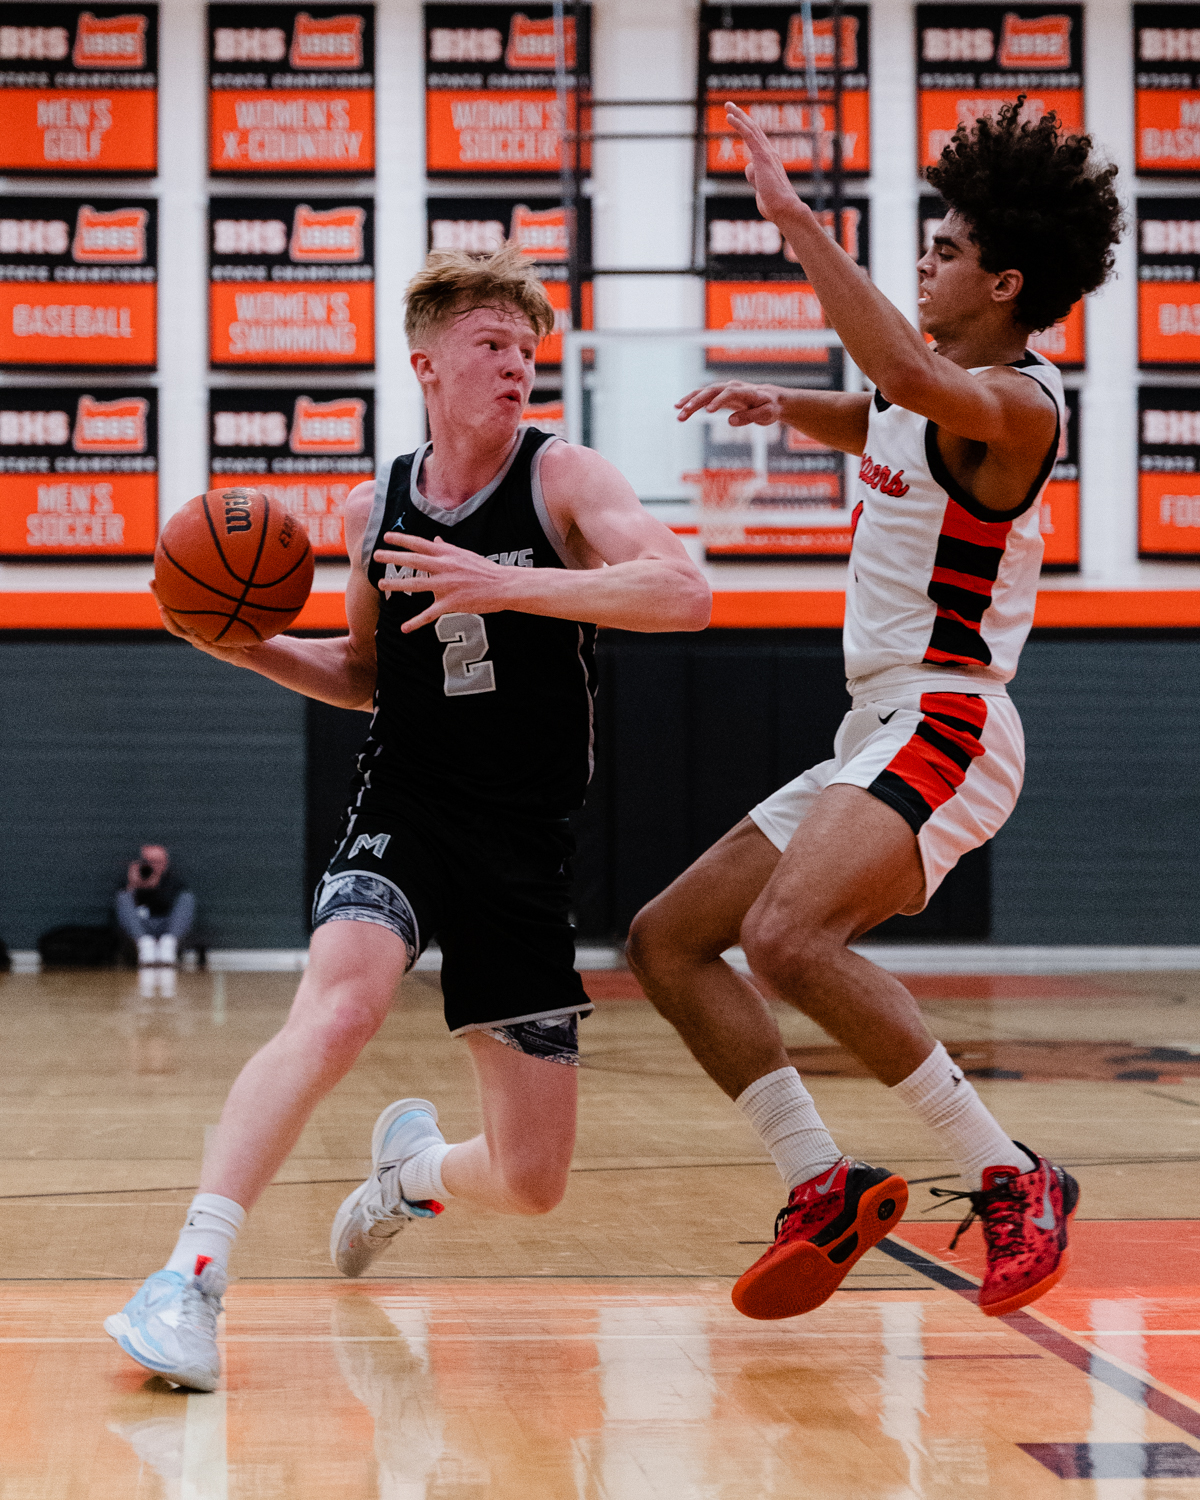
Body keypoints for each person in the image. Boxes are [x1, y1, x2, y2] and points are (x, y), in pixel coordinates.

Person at [105, 244, 711, 1391]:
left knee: (534, 1180)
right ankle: (188, 1277)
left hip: (526, 843)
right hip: (409, 803)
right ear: (427, 361)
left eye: (528, 349)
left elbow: (685, 593)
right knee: (338, 1009)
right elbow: (367, 675)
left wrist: (514, 583)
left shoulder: (565, 480)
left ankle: (409, 1176)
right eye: (492, 345)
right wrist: (246, 644)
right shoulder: (368, 508)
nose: (517, 366)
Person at [628, 100, 1124, 1322]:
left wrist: (795, 222)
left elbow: (901, 375)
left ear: (1007, 284)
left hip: (951, 718)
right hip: (881, 726)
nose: (923, 258)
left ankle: (1011, 1175)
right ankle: (824, 1181)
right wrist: (790, 405)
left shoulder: (1018, 406)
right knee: (669, 942)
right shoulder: (936, 397)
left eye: (946, 251)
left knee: (792, 940)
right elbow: (887, 410)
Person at [115, 844, 194, 966]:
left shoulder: (173, 881)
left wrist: (156, 885)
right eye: (150, 861)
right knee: (123, 897)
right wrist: (133, 885)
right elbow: (125, 912)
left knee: (187, 898)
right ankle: (145, 946)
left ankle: (168, 945)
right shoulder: (132, 879)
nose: (154, 865)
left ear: (165, 863)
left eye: (158, 862)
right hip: (141, 927)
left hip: (166, 926)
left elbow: (169, 905)